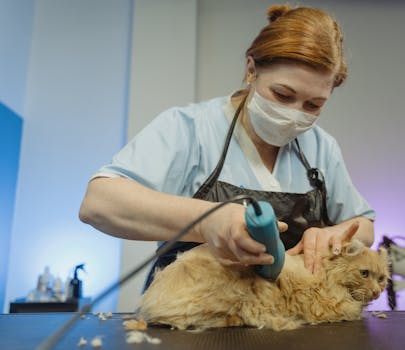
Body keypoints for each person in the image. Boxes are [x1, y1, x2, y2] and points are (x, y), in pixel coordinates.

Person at [79, 4, 375, 287]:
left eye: (313, 105)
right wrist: (207, 221)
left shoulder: (320, 147)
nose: (294, 114)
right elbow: (99, 203)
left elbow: (364, 226)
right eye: (283, 95)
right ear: (251, 69)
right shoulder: (190, 129)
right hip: (193, 317)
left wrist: (336, 235)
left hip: (290, 318)